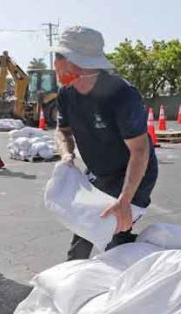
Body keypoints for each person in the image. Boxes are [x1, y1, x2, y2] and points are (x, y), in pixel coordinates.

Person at [52, 26, 159, 261]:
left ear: (74, 63)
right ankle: (73, 282)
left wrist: (125, 200)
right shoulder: (66, 94)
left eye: (59, 57)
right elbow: (63, 132)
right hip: (100, 173)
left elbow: (140, 151)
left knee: (114, 232)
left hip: (132, 174)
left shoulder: (121, 94)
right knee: (83, 232)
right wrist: (66, 154)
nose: (55, 63)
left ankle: (135, 271)